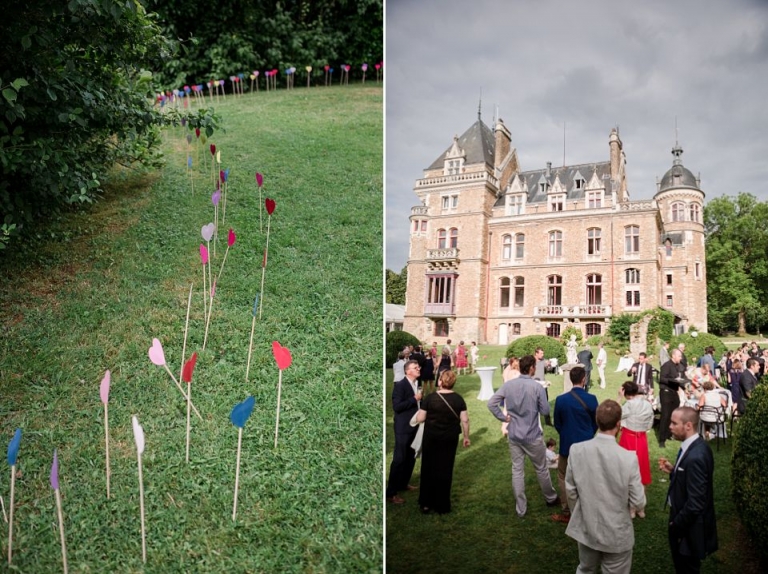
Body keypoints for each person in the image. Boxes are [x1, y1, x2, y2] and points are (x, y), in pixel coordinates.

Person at [565, 399, 646, 574]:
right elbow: (638, 500)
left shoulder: (577, 450)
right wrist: (637, 508)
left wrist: (579, 512)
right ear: (619, 424)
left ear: (597, 421)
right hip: (616, 531)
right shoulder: (628, 458)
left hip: (587, 525)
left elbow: (570, 491)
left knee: (585, 569)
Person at [488, 355, 560, 517]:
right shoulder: (536, 387)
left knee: (517, 470)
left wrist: (503, 417)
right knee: (541, 469)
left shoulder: (509, 385)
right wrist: (504, 417)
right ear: (532, 368)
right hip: (532, 435)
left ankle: (521, 508)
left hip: (514, 434)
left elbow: (491, 403)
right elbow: (546, 411)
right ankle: (550, 498)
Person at [659, 406, 718, 572]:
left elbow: (696, 503)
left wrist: (675, 525)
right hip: (684, 523)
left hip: (688, 528)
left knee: (686, 568)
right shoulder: (696, 446)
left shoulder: (696, 457)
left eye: (674, 423)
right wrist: (674, 471)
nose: (669, 426)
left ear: (688, 426)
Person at [415, 370, 470, 514]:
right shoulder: (458, 399)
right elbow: (465, 420)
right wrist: (466, 437)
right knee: (445, 469)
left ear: (440, 381)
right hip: (449, 438)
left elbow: (420, 418)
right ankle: (442, 505)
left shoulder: (430, 398)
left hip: (431, 437)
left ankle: (426, 503)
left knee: (428, 468)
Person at [552, 366, 598, 524]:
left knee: (564, 477)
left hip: (568, 444)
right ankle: (587, 507)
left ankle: (567, 510)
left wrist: (566, 433)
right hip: (586, 443)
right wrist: (588, 433)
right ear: (583, 379)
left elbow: (557, 423)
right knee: (586, 476)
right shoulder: (591, 399)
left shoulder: (561, 399)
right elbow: (595, 422)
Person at [385, 360, 423, 504]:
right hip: (403, 427)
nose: (418, 368)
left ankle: (403, 483)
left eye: (418, 366)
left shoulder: (416, 385)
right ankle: (391, 493)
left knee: (410, 456)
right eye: (415, 367)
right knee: (399, 459)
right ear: (408, 371)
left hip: (415, 425)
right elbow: (397, 407)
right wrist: (414, 399)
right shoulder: (400, 386)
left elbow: (419, 404)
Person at [618, 381, 655, 517]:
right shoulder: (647, 404)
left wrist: (619, 398)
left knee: (627, 471)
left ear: (626, 393)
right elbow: (650, 423)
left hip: (628, 437)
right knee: (642, 470)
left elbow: (615, 415)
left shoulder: (628, 405)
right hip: (641, 438)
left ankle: (631, 506)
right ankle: (640, 506)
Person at [658, 349, 688, 448]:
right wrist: (673, 381)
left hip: (674, 392)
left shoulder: (678, 366)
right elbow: (661, 379)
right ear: (674, 356)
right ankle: (661, 439)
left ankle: (668, 434)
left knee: (673, 414)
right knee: (665, 415)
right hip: (665, 392)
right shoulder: (666, 365)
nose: (681, 358)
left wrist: (684, 387)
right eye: (679, 356)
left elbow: (680, 379)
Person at [533, 347, 553, 426]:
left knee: (545, 403)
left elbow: (549, 370)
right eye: (541, 353)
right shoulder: (531, 361)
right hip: (533, 385)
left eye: (543, 353)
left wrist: (549, 365)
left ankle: (548, 422)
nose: (542, 355)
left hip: (543, 385)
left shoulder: (543, 361)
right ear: (536, 353)